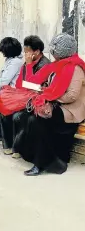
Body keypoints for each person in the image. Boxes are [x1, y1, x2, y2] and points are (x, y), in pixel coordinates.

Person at [15, 33, 85, 176]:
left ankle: (42, 162)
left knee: (37, 120)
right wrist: (29, 66)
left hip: (69, 110)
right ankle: (37, 156)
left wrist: (49, 97)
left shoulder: (75, 68)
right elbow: (30, 82)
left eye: (54, 49)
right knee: (27, 117)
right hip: (56, 105)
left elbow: (72, 95)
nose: (52, 52)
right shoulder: (57, 66)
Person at [0, 35, 50, 158]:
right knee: (4, 109)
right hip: (24, 95)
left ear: (37, 51)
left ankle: (17, 148)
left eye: (27, 51)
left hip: (37, 99)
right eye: (25, 51)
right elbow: (19, 84)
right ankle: (8, 145)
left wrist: (28, 66)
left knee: (17, 116)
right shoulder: (26, 63)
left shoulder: (45, 64)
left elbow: (35, 84)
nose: (25, 54)